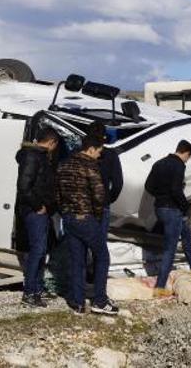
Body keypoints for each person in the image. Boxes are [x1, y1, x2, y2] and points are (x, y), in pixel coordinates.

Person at [56, 135, 118, 315]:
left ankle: (78, 303)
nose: (99, 155)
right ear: (91, 149)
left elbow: (57, 194)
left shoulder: (63, 164)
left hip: (69, 218)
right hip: (86, 218)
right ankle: (99, 301)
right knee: (102, 257)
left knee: (78, 260)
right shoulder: (90, 166)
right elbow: (99, 195)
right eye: (99, 151)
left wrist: (65, 212)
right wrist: (97, 217)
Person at [145, 139, 191, 298]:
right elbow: (176, 190)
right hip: (172, 210)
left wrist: (161, 196)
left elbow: (148, 187)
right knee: (169, 249)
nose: (188, 160)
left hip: (159, 208)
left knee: (186, 233)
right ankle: (160, 287)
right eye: (189, 157)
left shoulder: (159, 163)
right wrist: (186, 206)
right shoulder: (178, 165)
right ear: (185, 152)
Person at [15, 127, 59, 308]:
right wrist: (38, 205)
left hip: (40, 211)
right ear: (51, 142)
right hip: (35, 211)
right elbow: (24, 186)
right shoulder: (33, 156)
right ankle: (30, 292)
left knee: (41, 251)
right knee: (38, 251)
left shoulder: (38, 156)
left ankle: (37, 289)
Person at [86, 122, 123, 237]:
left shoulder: (76, 154)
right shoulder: (111, 155)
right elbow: (118, 183)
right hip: (102, 204)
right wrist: (109, 198)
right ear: (104, 137)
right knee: (100, 244)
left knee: (81, 245)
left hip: (80, 205)